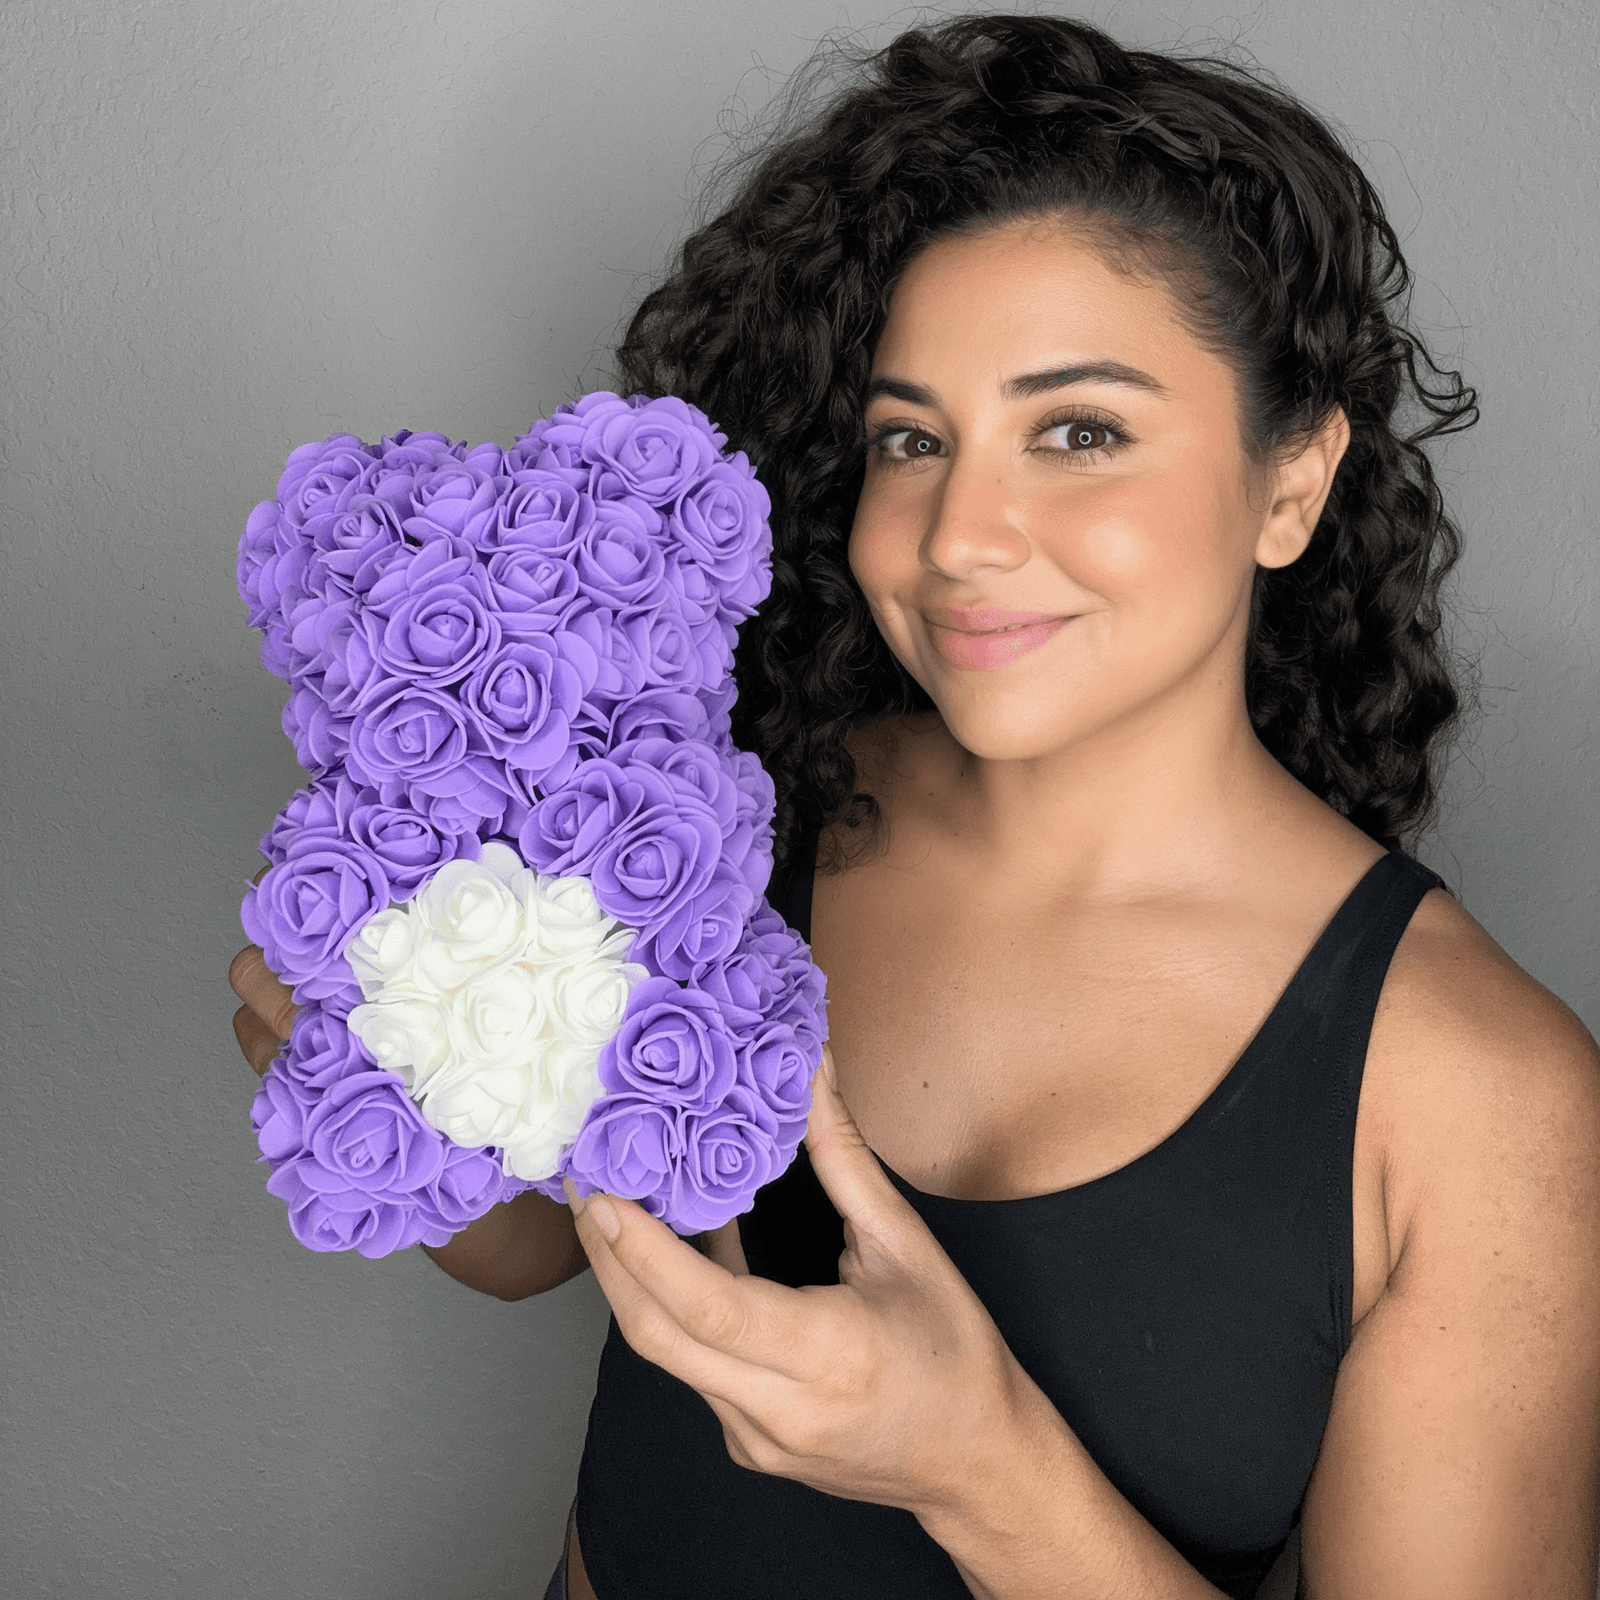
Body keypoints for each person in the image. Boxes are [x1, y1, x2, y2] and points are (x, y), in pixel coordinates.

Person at [229, 15, 1600, 1599]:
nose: (958, 535)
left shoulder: (1485, 1104)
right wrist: (360, 1054)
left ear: (1290, 482)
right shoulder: (738, 807)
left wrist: (977, 1467)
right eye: (912, 438)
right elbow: (538, 1243)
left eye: (1078, 431)